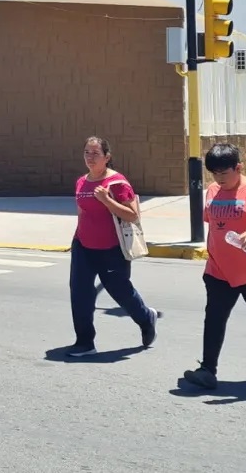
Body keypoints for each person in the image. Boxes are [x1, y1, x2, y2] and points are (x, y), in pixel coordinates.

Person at [183, 142, 246, 390]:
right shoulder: (212, 191)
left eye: (224, 173)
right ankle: (208, 369)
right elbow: (214, 226)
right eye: (215, 174)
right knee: (214, 320)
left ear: (238, 167)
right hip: (219, 271)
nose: (219, 179)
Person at [66, 136, 158, 357]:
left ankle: (146, 318)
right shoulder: (81, 181)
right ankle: (85, 342)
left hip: (111, 249)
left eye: (95, 153)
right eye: (87, 152)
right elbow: (82, 213)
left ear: (107, 157)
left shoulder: (117, 183)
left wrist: (107, 201)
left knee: (120, 292)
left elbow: (133, 215)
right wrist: (77, 238)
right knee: (79, 293)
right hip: (83, 246)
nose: (90, 157)